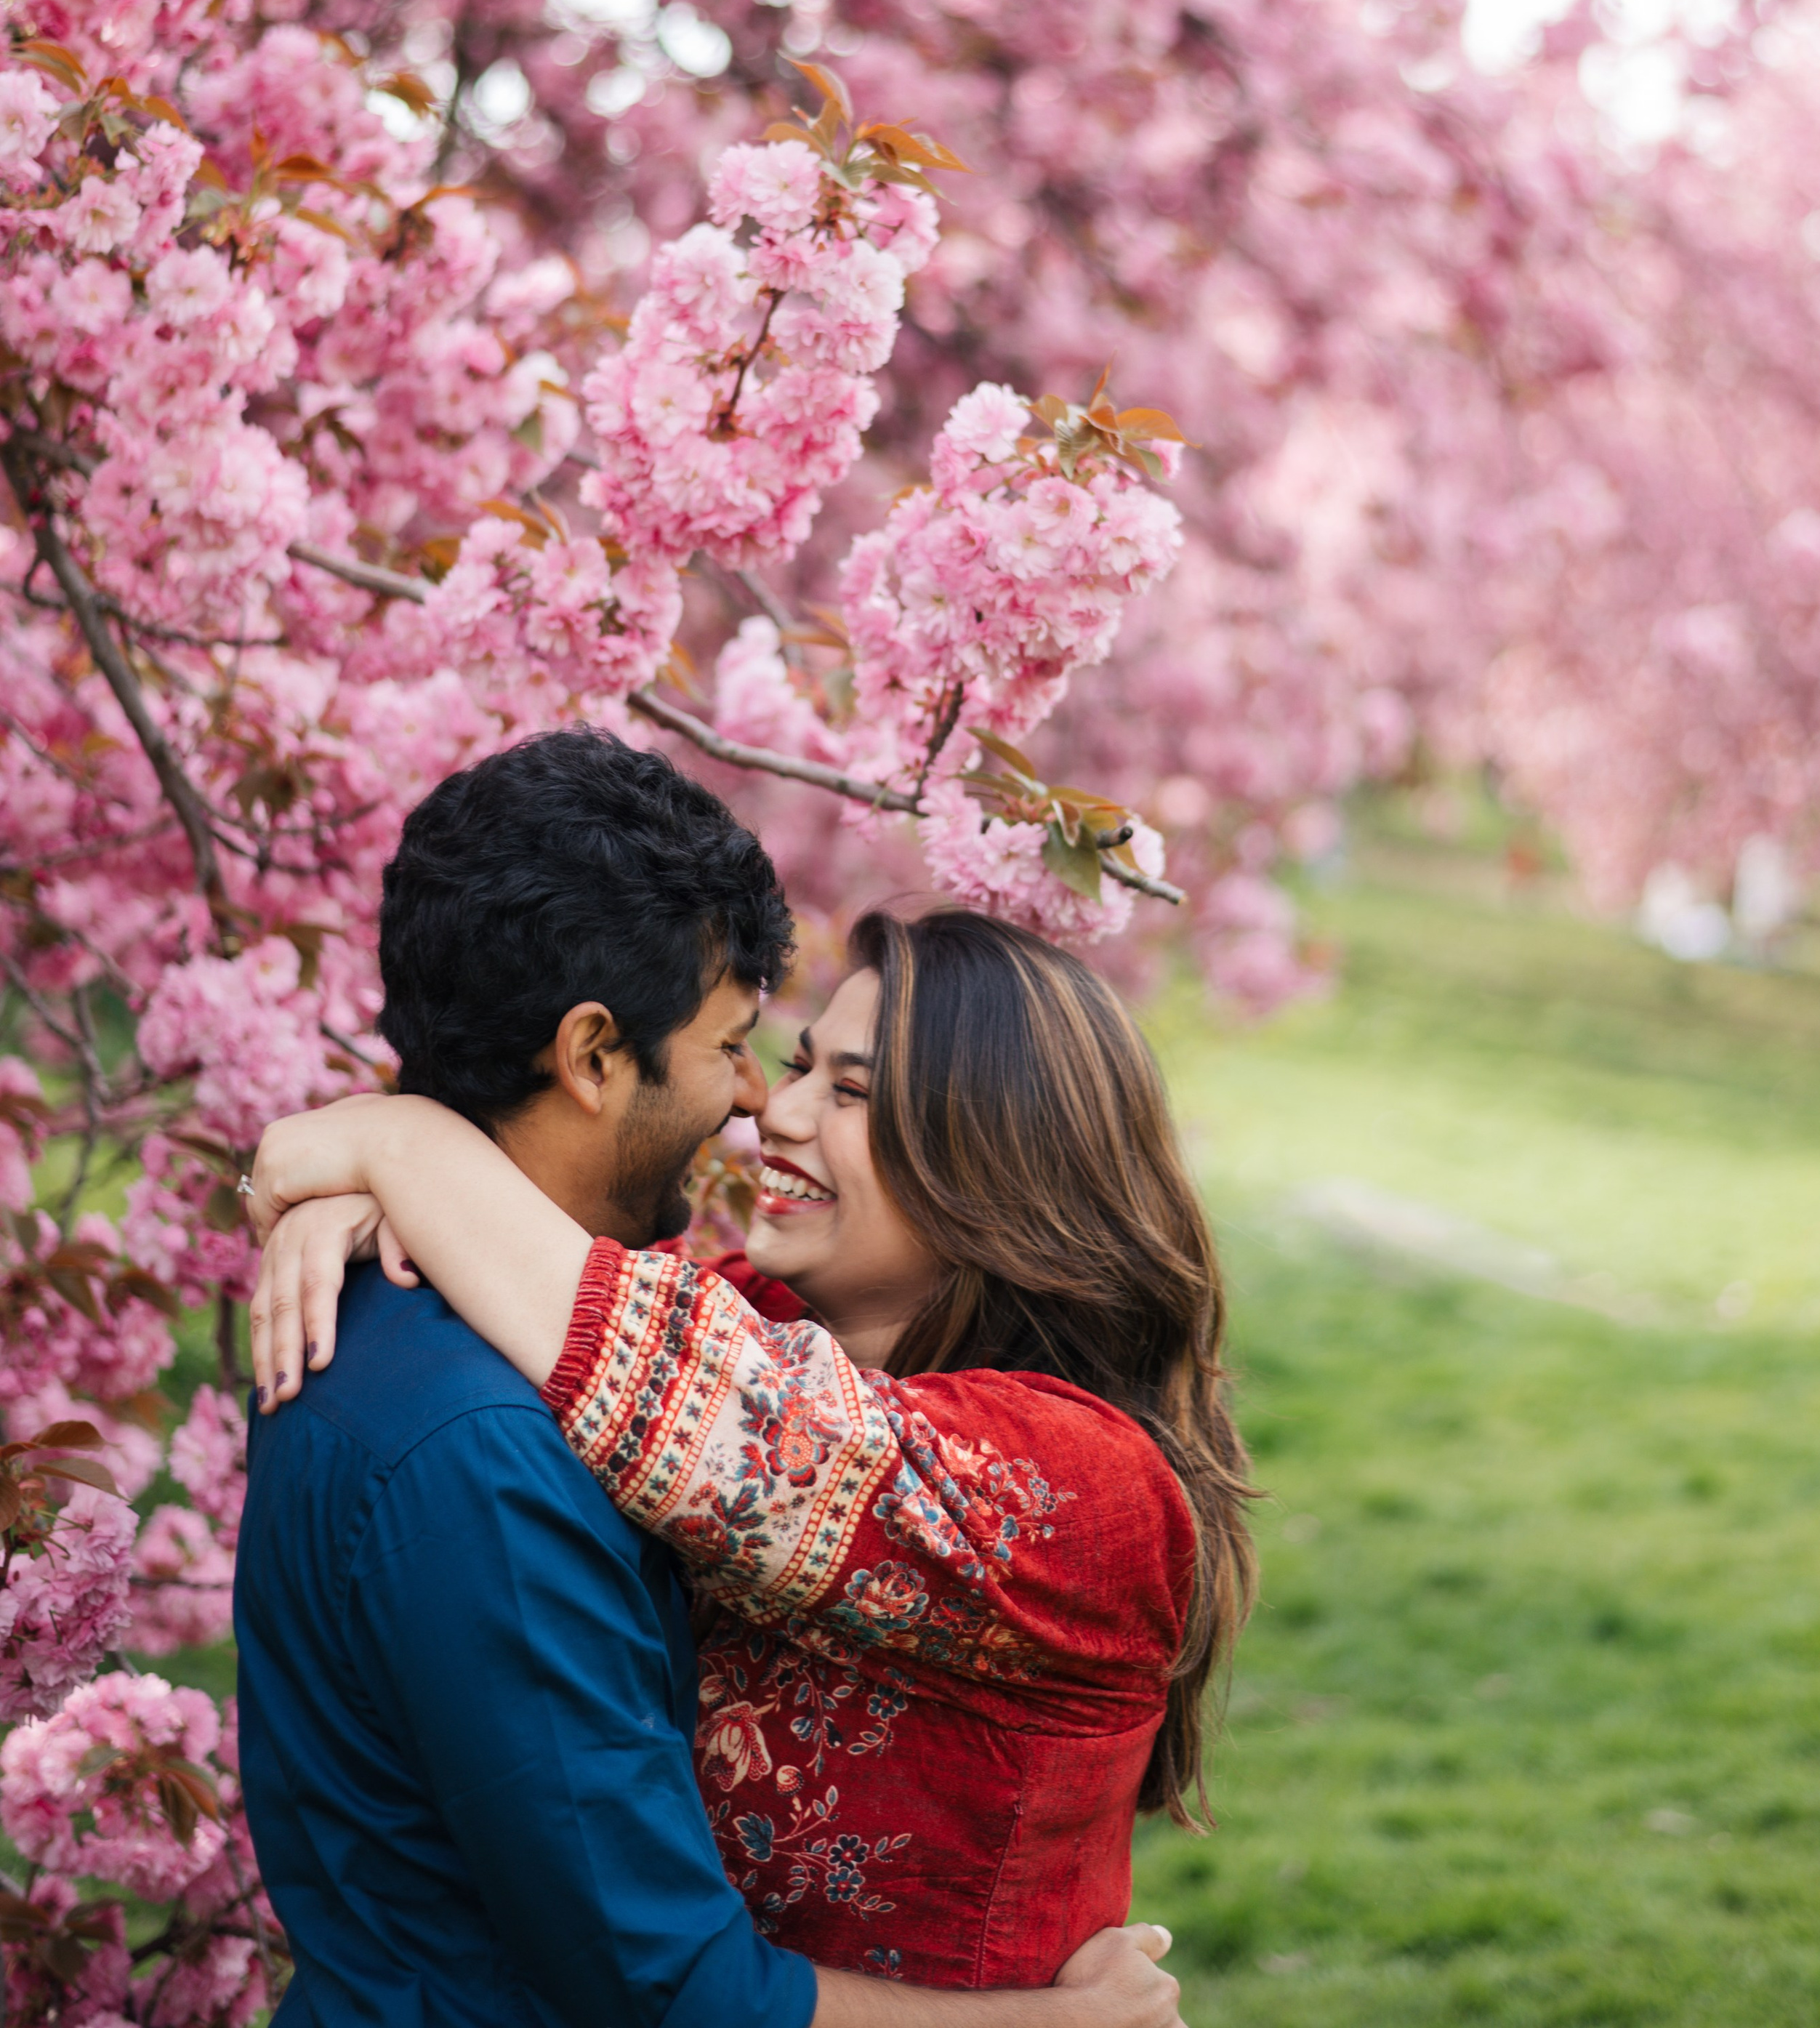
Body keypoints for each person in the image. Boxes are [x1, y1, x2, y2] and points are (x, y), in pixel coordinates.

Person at [249, 774, 1254, 1999]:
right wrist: (378, 1190)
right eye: (782, 1062)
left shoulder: (1088, 1488)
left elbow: (695, 1396)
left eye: (849, 1091)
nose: (767, 1111)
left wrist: (404, 1146)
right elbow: (611, 1305)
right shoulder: (762, 1327)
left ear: (988, 1166)